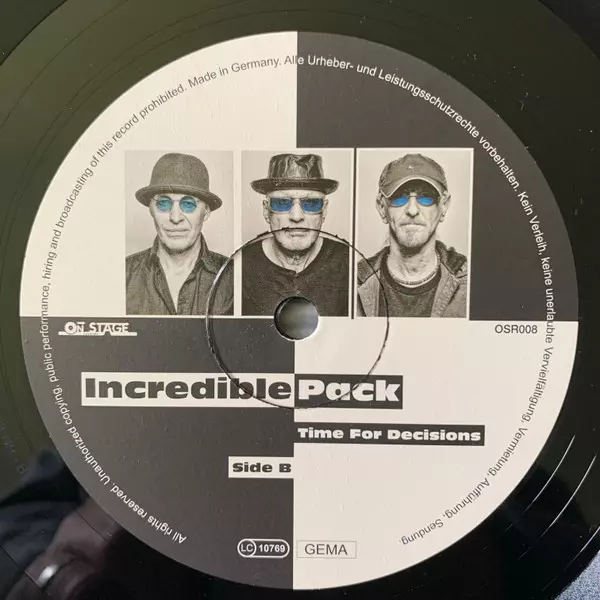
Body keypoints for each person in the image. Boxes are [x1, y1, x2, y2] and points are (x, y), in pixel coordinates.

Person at [357, 153, 468, 318]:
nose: (412, 210)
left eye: (426, 197)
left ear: (443, 206)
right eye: (399, 197)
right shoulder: (353, 284)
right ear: (381, 207)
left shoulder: (470, 284)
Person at [242, 153, 350, 317]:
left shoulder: (348, 263)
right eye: (282, 203)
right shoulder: (241, 267)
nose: (297, 216)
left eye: (311, 203)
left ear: (324, 210)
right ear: (266, 210)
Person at [126, 153, 233, 315]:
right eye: (163, 203)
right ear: (151, 209)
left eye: (188, 204)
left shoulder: (234, 277)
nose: (175, 218)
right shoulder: (124, 275)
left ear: (206, 212)